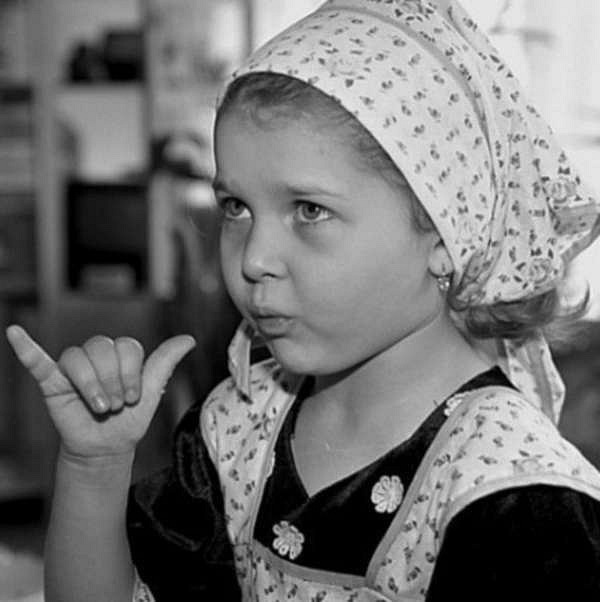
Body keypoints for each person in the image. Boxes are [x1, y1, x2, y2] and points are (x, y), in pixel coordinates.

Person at [7, 0, 600, 600]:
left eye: (309, 210)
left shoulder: (515, 496)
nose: (253, 258)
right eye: (236, 207)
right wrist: (95, 467)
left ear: (446, 235)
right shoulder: (238, 425)